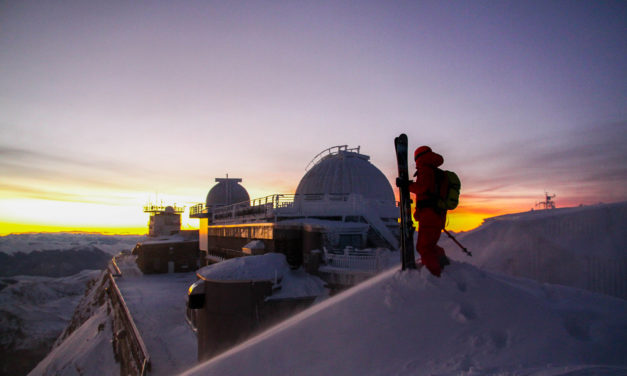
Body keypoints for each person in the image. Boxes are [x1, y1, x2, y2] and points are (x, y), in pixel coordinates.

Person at [409, 146, 450, 277]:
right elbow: (430, 192)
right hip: (438, 215)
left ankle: (435, 275)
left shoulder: (425, 169)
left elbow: (423, 189)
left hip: (429, 215)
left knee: (423, 248)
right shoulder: (437, 172)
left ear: (418, 157)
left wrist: (406, 185)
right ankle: (443, 265)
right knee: (431, 245)